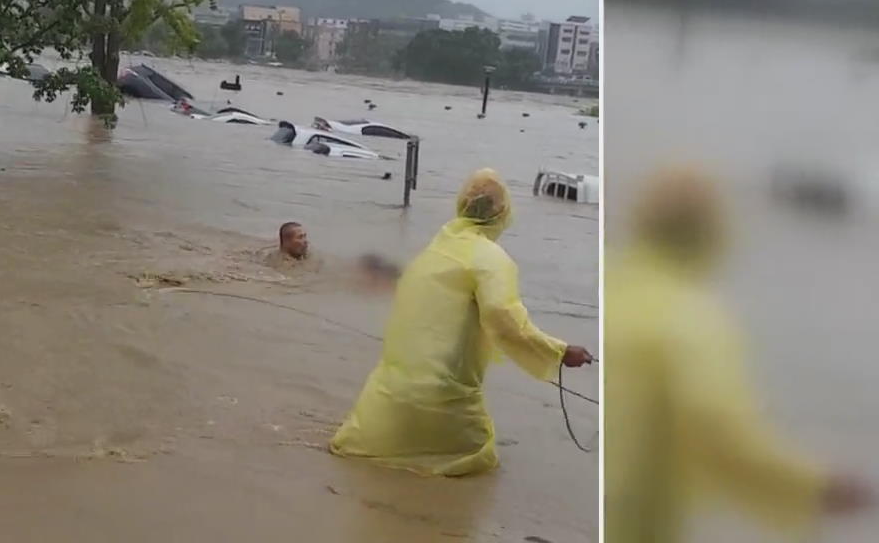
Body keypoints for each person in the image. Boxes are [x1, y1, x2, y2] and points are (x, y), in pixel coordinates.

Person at [605, 165, 872, 542]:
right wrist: (819, 487)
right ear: (714, 229)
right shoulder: (685, 319)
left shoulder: (614, 279)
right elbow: (722, 436)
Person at [331, 169, 592, 476]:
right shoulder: (490, 259)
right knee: (480, 463)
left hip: (383, 404)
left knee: (361, 457)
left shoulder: (434, 250)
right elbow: (504, 319)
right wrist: (560, 352)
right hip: (444, 403)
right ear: (504, 211)